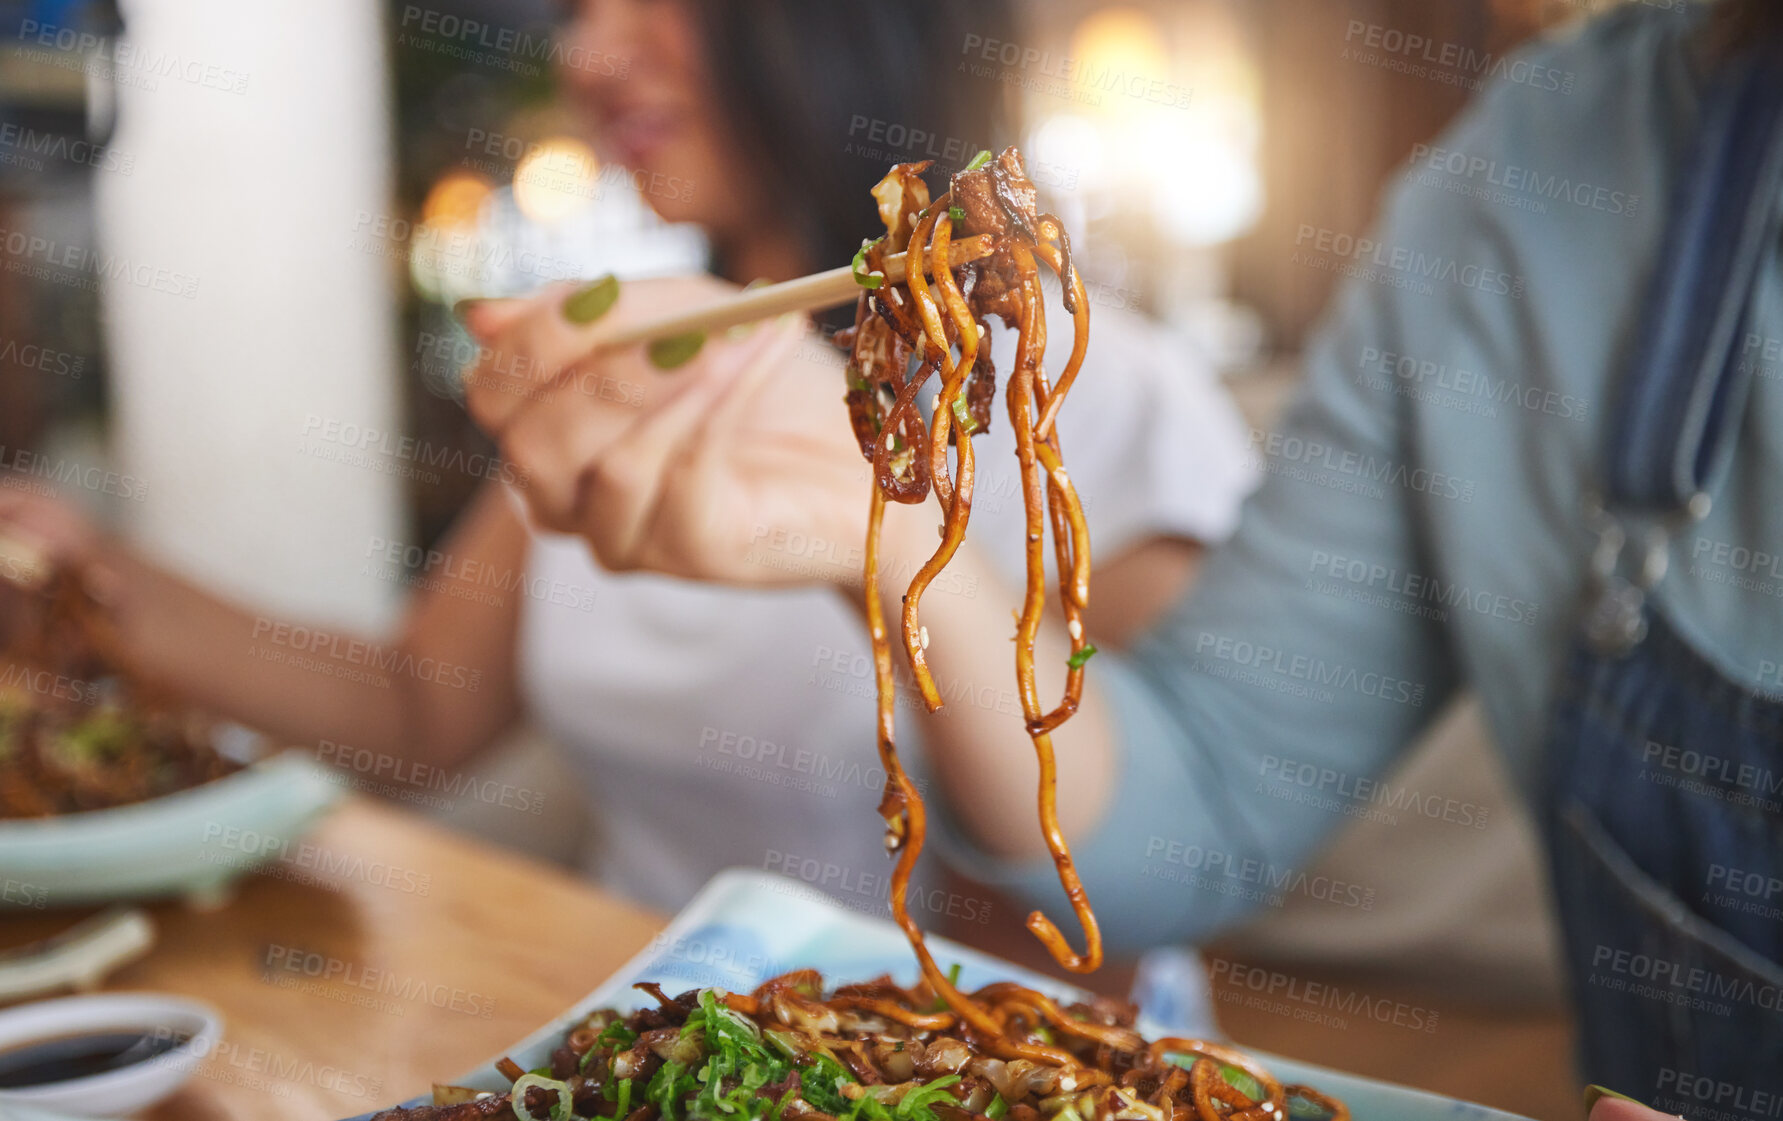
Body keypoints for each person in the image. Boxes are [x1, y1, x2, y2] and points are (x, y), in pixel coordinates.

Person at [455, 0, 1783, 1107]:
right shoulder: (1528, 177)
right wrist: (888, 523)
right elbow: (1187, 804)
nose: (584, 51)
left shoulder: (1131, 394)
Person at [0, 0, 1254, 927]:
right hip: (631, 1039)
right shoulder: (642, 352)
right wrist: (87, 568)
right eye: (580, 9)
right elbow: (419, 708)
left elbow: (1123, 893)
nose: (588, 55)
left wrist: (868, 532)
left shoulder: (1111, 396)